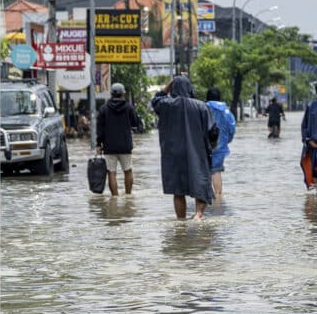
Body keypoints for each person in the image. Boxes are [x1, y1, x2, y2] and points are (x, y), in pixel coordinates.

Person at [151, 76, 218, 220]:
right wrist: (212, 145)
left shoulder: (165, 104)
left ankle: (181, 221)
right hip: (197, 152)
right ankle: (198, 215)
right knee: (201, 184)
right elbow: (213, 130)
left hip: (173, 154)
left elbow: (155, 100)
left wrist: (169, 84)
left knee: (178, 190)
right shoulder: (201, 106)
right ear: (190, 88)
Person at [96, 83, 139, 196]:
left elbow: (100, 129)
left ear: (111, 94)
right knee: (128, 170)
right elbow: (135, 123)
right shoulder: (129, 107)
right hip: (125, 145)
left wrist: (98, 144)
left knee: (111, 172)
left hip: (109, 146)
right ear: (123, 94)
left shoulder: (104, 109)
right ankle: (128, 196)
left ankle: (114, 197)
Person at [206, 87, 236, 197]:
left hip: (203, 145)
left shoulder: (203, 108)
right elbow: (232, 129)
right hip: (220, 146)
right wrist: (226, 141)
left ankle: (204, 198)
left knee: (203, 171)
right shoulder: (226, 111)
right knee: (216, 171)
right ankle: (218, 198)